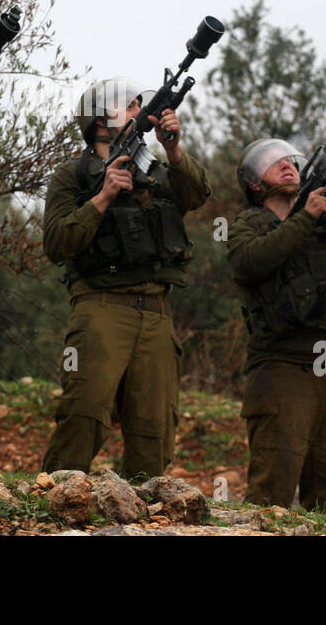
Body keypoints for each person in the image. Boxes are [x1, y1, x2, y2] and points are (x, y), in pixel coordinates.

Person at [40, 78, 211, 479]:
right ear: (100, 121)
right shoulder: (74, 175)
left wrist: (174, 150)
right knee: (84, 413)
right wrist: (101, 198)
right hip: (101, 308)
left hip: (156, 313)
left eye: (139, 103)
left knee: (155, 427)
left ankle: (145, 513)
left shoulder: (154, 172)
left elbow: (197, 196)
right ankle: (55, 500)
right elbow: (56, 243)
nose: (138, 109)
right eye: (127, 105)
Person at [225, 134, 326, 510]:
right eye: (272, 160)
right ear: (254, 183)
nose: (287, 164)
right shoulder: (249, 225)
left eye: (291, 159)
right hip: (284, 368)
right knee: (271, 494)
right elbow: (250, 262)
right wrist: (306, 216)